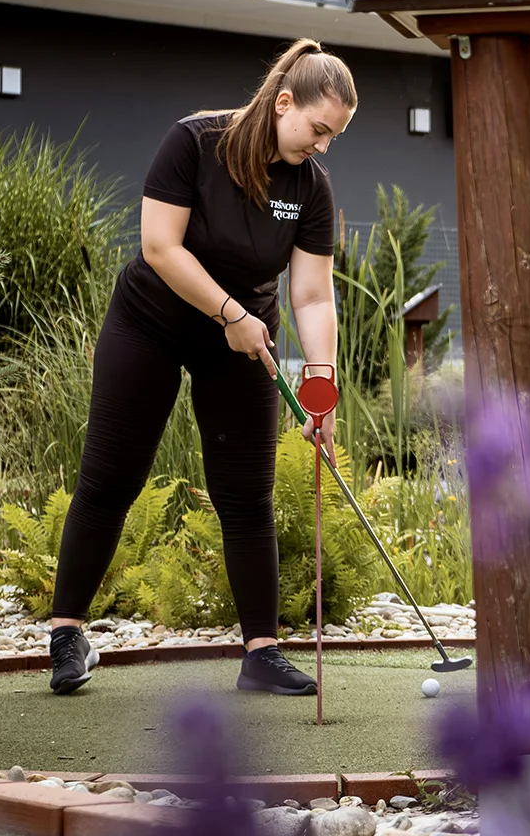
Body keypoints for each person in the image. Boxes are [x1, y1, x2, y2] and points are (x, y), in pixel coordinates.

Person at [45, 38, 354, 696]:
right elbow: (159, 247)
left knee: (246, 495)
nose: (322, 145)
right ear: (283, 103)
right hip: (152, 323)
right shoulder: (194, 142)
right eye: (318, 130)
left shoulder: (309, 188)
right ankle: (67, 635)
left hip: (243, 342)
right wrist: (230, 314)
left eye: (334, 136)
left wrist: (320, 385)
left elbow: (311, 293)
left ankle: (261, 654)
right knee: (110, 478)